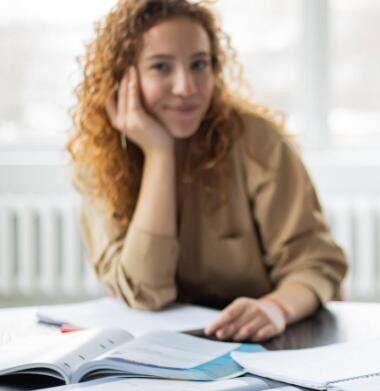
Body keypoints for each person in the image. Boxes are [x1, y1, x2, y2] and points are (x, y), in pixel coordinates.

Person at [67, 0, 347, 343]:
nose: (186, 87)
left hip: (265, 343)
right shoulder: (100, 161)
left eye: (199, 64)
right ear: (125, 77)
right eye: (161, 67)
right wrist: (159, 154)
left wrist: (275, 308)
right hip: (161, 355)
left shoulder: (256, 141)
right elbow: (146, 292)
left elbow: (315, 262)